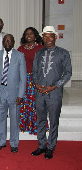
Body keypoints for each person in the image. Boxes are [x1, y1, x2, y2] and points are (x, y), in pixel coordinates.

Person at [31, 26, 72, 159]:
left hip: (54, 93)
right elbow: (34, 71)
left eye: (50, 36)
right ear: (42, 38)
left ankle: (51, 147)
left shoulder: (63, 53)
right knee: (41, 120)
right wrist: (36, 84)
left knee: (53, 121)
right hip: (40, 92)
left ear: (55, 37)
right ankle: (41, 145)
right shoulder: (39, 53)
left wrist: (54, 86)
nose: (47, 39)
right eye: (45, 36)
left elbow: (68, 73)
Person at [0, 34, 26, 153]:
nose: (7, 43)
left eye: (10, 41)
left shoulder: (20, 56)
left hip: (15, 93)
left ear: (13, 42)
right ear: (3, 42)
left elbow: (23, 78)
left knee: (14, 119)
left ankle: (14, 143)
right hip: (0, 92)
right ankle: (0, 142)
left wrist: (20, 95)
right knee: (0, 118)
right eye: (6, 41)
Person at [17, 27, 44, 135]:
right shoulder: (20, 49)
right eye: (26, 34)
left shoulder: (41, 48)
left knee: (36, 104)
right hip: (23, 80)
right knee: (24, 103)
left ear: (35, 35)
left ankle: (35, 127)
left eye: (31, 34)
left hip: (36, 79)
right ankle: (24, 125)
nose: (29, 36)